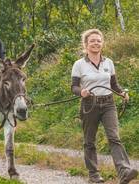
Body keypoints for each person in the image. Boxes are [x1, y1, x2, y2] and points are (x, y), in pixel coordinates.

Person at [71, 29, 138, 183]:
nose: (96, 43)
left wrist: (122, 92)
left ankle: (124, 172)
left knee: (114, 137)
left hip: (108, 104)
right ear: (86, 44)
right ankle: (94, 175)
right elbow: (73, 87)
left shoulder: (109, 62)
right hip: (89, 104)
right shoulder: (79, 64)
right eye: (92, 41)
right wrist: (81, 92)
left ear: (102, 43)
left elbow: (114, 84)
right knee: (89, 141)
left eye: (98, 40)